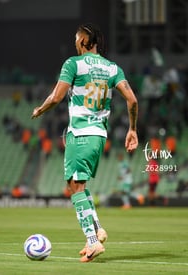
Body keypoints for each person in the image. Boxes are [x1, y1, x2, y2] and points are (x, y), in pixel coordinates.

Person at [31, 23, 138, 262]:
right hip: (99, 135)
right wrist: (132, 129)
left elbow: (57, 97)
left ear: (84, 43)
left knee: (74, 186)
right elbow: (132, 100)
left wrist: (40, 109)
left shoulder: (73, 64)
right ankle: (98, 229)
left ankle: (92, 241)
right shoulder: (113, 68)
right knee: (81, 185)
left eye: (77, 41)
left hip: (80, 134)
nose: (75, 45)